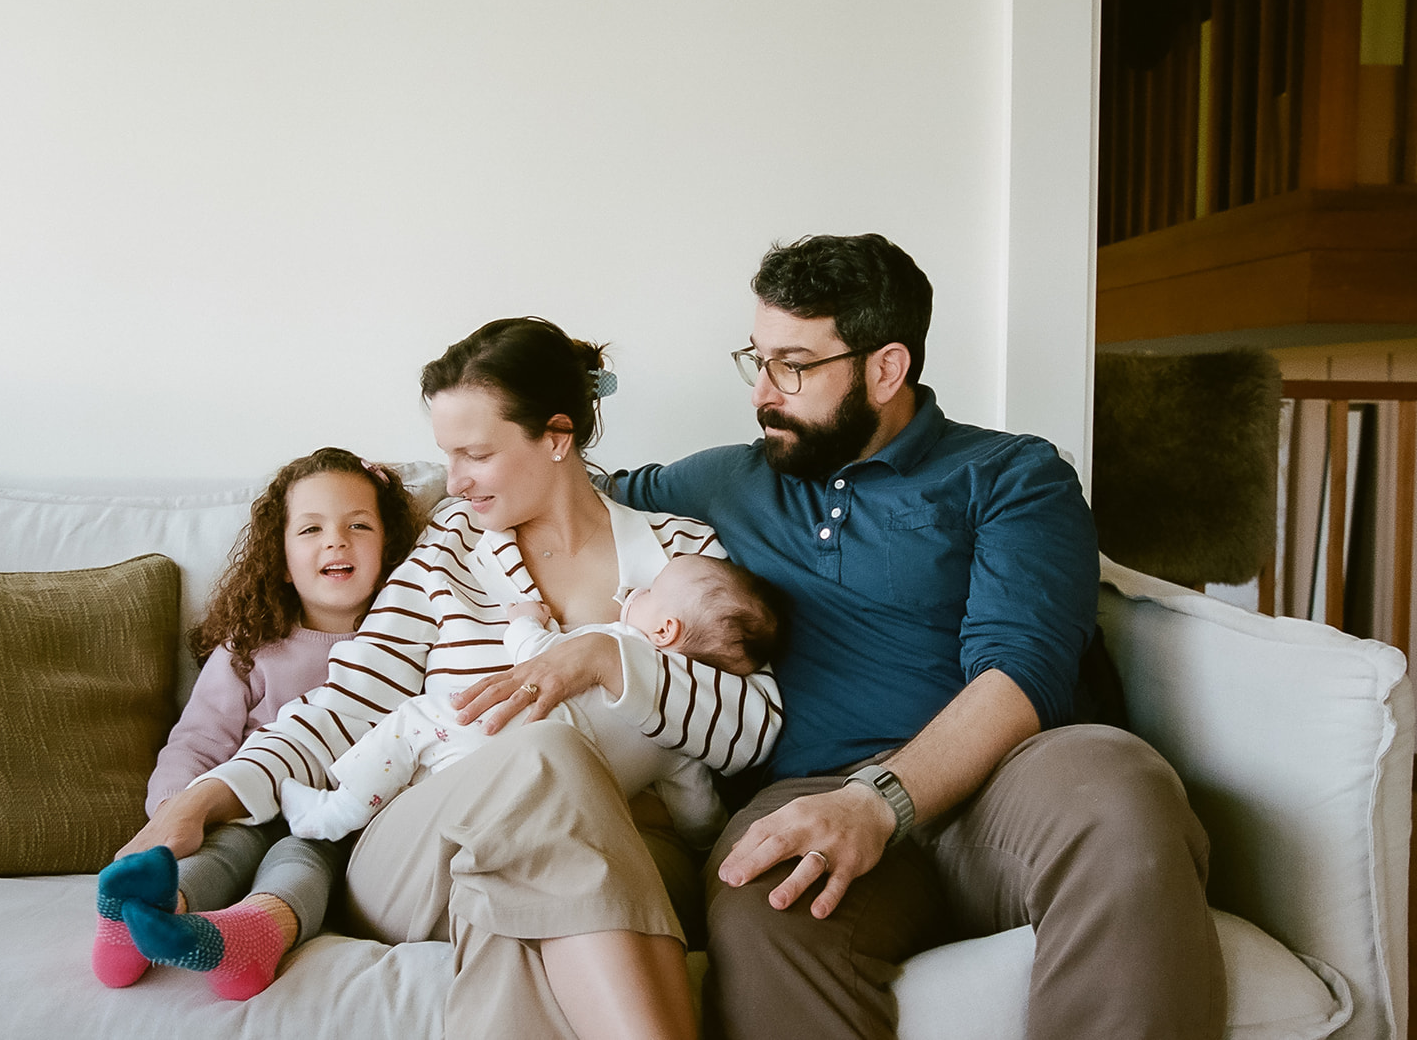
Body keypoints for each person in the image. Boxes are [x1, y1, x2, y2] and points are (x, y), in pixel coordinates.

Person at [479, 235, 1224, 1039]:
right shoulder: (728, 478)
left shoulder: (1012, 474)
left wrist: (881, 802)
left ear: (885, 368)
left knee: (1119, 790)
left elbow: (1024, 670)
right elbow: (565, 498)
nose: (763, 392)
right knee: (763, 902)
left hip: (1007, 783)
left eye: (792, 366)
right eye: (756, 359)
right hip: (810, 791)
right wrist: (363, 501)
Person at [115, 317, 782, 1040]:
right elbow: (347, 703)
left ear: (557, 436)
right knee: (544, 754)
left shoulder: (681, 556)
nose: (452, 481)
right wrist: (204, 798)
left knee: (511, 891)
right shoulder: (450, 548)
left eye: (474, 454)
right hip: (417, 848)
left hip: (619, 855)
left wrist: (604, 659)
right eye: (447, 454)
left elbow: (753, 727)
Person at [92, 447, 422, 1000]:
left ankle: (253, 937)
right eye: (311, 529)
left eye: (358, 525)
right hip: (242, 811)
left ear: (389, 546)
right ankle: (141, 916)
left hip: (338, 825)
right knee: (224, 853)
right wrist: (173, 816)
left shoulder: (405, 648)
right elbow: (196, 741)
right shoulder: (250, 647)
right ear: (282, 558)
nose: (335, 542)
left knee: (300, 860)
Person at [279, 552, 784, 850]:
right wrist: (706, 840)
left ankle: (337, 809)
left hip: (489, 736)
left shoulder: (621, 644)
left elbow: (539, 660)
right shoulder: (682, 733)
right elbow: (697, 811)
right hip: (540, 810)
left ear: (665, 629)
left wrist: (525, 620)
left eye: (651, 590)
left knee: (412, 723)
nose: (637, 589)